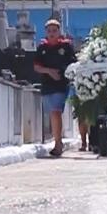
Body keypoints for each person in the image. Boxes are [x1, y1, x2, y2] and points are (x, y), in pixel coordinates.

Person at [34, 19, 76, 157]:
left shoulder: (66, 47)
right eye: (49, 31)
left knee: (56, 111)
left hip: (60, 84)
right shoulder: (42, 48)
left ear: (59, 32)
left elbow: (72, 63)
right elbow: (37, 66)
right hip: (47, 84)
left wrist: (62, 73)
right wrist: (49, 71)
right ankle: (58, 140)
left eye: (54, 31)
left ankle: (58, 143)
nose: (52, 34)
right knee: (52, 113)